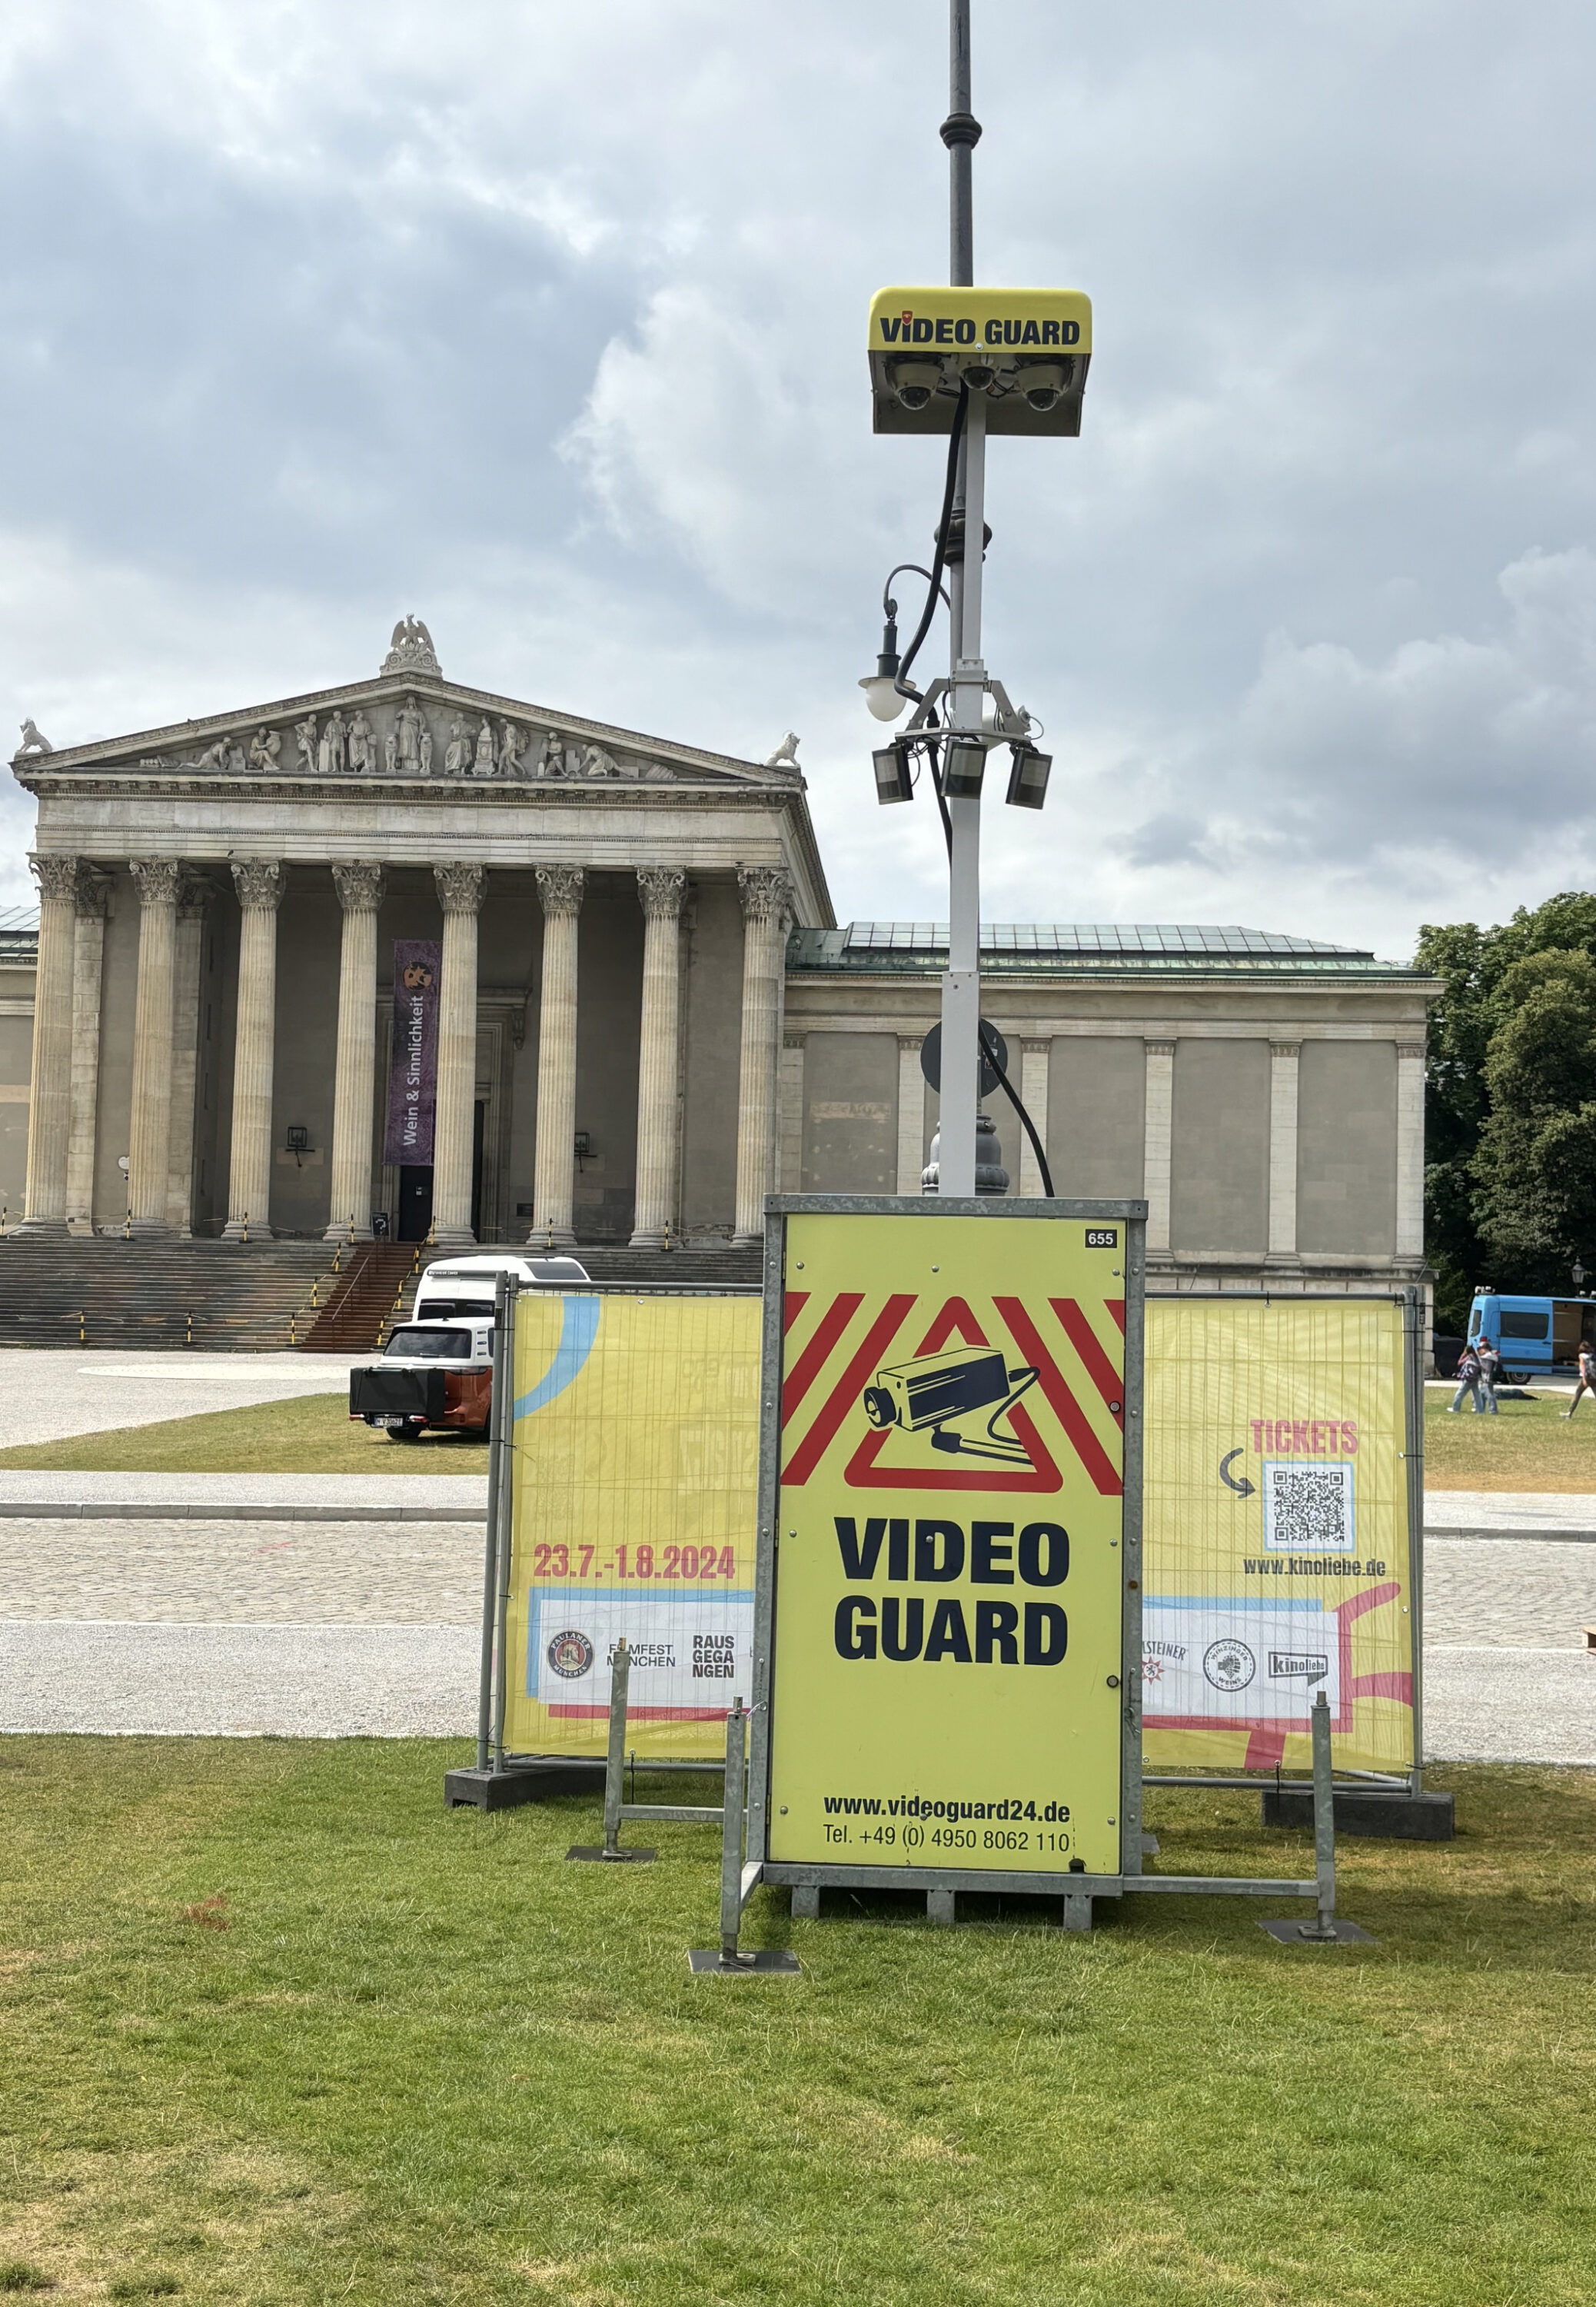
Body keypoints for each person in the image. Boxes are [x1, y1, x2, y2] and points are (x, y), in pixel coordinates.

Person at [1563, 1337, 1596, 1416]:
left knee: (1578, 1393)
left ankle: (1570, 1413)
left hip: (1587, 1377)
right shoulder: (1592, 1355)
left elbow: (1582, 1367)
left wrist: (1584, 1378)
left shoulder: (1582, 1355)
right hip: (1594, 1377)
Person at [1449, 1341, 1483, 1413]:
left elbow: (1460, 1363)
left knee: (1460, 1393)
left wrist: (1463, 1355)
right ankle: (1480, 1410)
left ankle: (1456, 1408)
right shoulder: (1475, 1357)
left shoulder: (1469, 1357)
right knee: (1477, 1395)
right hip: (1475, 1378)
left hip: (1468, 1379)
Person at [1475, 1335, 1501, 1415]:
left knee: (1490, 1394)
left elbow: (1479, 1356)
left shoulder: (1488, 1356)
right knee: (1482, 1394)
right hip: (1485, 1378)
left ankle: (1493, 1410)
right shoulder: (1491, 1355)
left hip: (1487, 1378)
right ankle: (1481, 1409)